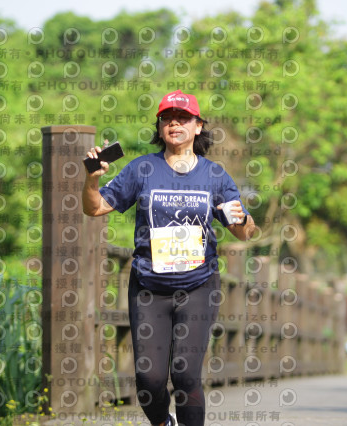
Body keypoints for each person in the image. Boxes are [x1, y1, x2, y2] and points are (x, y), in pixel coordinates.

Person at [83, 90, 256, 426]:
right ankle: (163, 422)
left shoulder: (214, 175)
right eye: (167, 117)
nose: (174, 122)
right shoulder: (142, 169)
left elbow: (247, 232)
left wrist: (242, 219)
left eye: (183, 117)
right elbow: (94, 208)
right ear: (159, 126)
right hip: (149, 285)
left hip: (198, 285)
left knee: (186, 374)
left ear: (198, 126)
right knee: (148, 380)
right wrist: (92, 179)